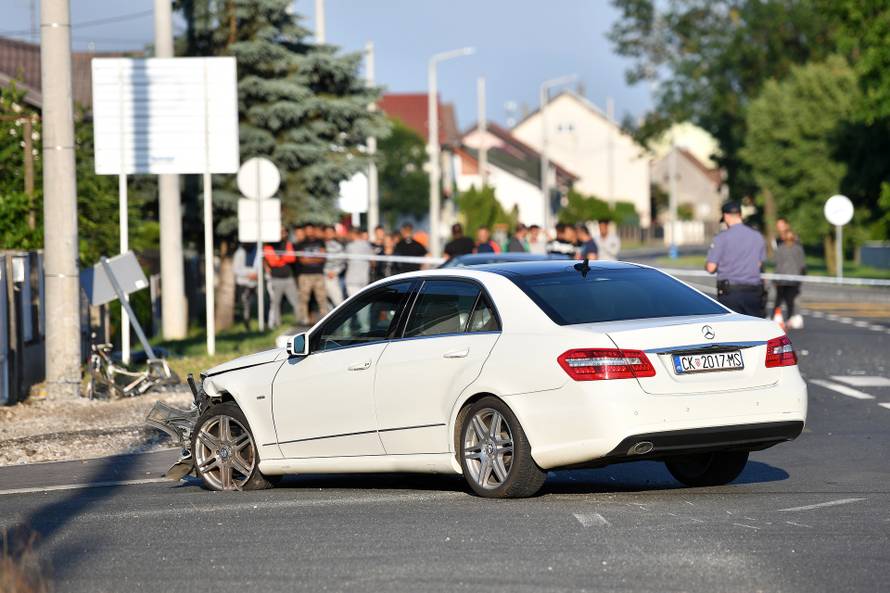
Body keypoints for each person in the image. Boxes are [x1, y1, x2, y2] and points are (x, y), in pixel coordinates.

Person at [705, 201, 767, 317]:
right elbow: (759, 264)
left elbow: (711, 267)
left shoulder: (721, 238)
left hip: (730, 293)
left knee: (733, 332)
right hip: (753, 292)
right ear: (740, 215)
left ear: (726, 216)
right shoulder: (757, 236)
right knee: (754, 330)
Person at [263, 227, 298, 329]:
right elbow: (273, 262)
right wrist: (283, 258)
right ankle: (277, 324)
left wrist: (279, 258)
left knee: (295, 301)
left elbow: (291, 258)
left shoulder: (288, 244)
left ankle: (299, 321)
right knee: (276, 303)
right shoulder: (268, 247)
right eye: (280, 232)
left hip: (288, 278)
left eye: (284, 232)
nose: (283, 234)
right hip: (275, 279)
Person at [294, 223, 328, 326]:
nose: (309, 232)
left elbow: (322, 257)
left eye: (311, 230)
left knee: (322, 298)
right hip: (305, 275)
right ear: (305, 231)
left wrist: (310, 259)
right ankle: (304, 320)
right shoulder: (300, 243)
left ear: (313, 230)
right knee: (304, 298)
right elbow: (303, 260)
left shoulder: (320, 241)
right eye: (307, 230)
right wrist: (315, 258)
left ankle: (325, 320)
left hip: (318, 274)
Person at [773, 227, 806, 329]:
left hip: (782, 279)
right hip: (794, 280)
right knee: (790, 301)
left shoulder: (780, 248)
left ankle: (777, 318)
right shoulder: (798, 249)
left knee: (779, 299)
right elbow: (802, 265)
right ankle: (790, 318)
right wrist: (801, 276)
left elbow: (778, 264)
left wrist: (775, 279)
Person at [233, 243, 259, 329]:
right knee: (245, 305)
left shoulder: (256, 250)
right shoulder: (240, 253)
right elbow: (236, 269)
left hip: (255, 283)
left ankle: (261, 321)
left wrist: (257, 275)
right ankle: (246, 324)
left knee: (256, 303)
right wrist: (248, 274)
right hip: (243, 283)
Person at [344, 226, 374, 297]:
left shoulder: (349, 246)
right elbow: (373, 262)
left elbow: (343, 261)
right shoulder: (368, 246)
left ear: (353, 234)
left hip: (352, 280)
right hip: (364, 280)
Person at [323, 224, 345, 308]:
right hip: (320, 277)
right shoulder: (321, 245)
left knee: (338, 301)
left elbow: (343, 263)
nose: (328, 234)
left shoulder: (338, 246)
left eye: (330, 232)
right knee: (324, 302)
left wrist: (335, 272)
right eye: (326, 232)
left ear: (334, 233)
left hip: (332, 278)